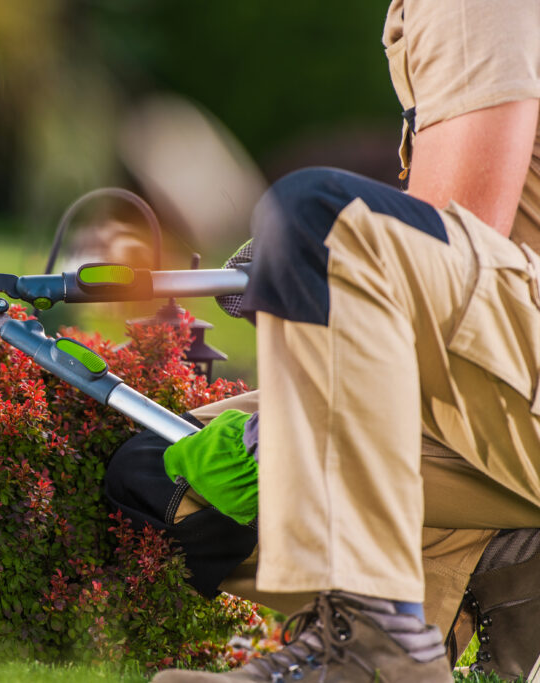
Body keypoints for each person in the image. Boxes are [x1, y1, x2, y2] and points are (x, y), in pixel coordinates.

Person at [109, 1, 540, 680]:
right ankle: (496, 570)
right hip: (498, 388)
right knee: (158, 477)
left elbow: (455, 244)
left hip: (508, 384)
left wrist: (310, 260)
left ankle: (381, 647)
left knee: (314, 213)